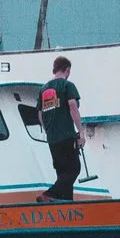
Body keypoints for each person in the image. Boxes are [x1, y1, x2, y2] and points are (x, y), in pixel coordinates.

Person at [37, 57, 83, 203]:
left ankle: (66, 203)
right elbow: (72, 106)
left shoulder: (44, 89)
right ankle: (49, 194)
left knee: (62, 174)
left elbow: (39, 114)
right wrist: (81, 131)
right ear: (67, 70)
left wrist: (48, 130)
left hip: (52, 138)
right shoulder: (67, 86)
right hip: (66, 135)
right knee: (74, 169)